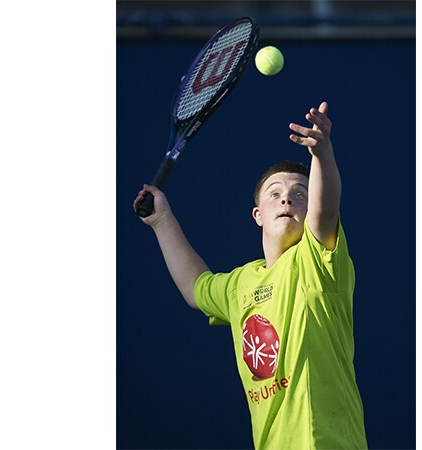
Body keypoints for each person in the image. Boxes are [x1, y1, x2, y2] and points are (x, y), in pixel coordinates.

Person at [133, 101, 368, 449]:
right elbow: (195, 287)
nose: (287, 200)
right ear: (258, 214)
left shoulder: (319, 262)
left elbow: (325, 208)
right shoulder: (240, 284)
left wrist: (322, 154)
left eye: (299, 194)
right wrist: (161, 221)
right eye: (275, 194)